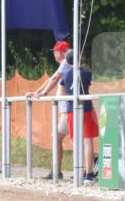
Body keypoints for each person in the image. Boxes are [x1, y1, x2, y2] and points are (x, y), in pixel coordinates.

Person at [26, 40, 71, 179]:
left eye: (56, 51)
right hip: (67, 109)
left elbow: (55, 79)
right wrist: (37, 91)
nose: (54, 54)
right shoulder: (66, 64)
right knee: (75, 138)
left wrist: (43, 93)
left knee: (59, 137)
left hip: (69, 109)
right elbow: (51, 79)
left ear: (63, 53)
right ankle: (62, 171)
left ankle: (59, 171)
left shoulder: (66, 63)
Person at [60, 50, 99, 186]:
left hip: (71, 110)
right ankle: (89, 174)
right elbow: (86, 86)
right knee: (88, 140)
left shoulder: (65, 74)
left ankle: (80, 171)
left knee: (77, 141)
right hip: (86, 109)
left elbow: (63, 91)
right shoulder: (87, 73)